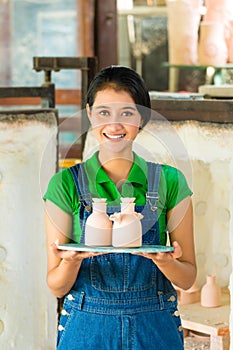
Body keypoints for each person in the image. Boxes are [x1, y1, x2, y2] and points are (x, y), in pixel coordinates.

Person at [44, 65, 196, 350]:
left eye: (127, 113)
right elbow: (56, 286)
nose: (114, 125)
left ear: (142, 117)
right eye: (103, 112)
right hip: (87, 329)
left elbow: (187, 278)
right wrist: (71, 261)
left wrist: (167, 262)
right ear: (89, 114)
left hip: (154, 327)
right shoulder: (64, 184)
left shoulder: (170, 180)